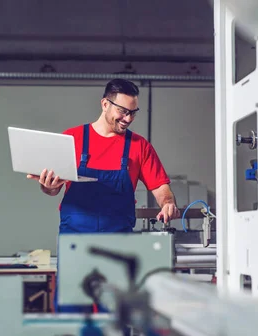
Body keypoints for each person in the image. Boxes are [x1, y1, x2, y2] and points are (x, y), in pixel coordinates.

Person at [27, 78, 179, 312]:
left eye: (133, 113)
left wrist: (168, 203)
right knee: (72, 316)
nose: (128, 119)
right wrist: (47, 185)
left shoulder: (139, 146)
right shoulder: (72, 139)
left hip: (118, 247)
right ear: (105, 104)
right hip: (75, 245)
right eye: (123, 111)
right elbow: (52, 189)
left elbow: (161, 189)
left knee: (116, 317)